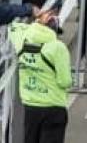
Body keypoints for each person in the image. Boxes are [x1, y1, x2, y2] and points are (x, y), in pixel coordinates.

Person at [11, 11, 71, 143]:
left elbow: (13, 27)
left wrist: (35, 23)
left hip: (31, 107)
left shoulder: (21, 40)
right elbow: (65, 81)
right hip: (53, 106)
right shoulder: (57, 47)